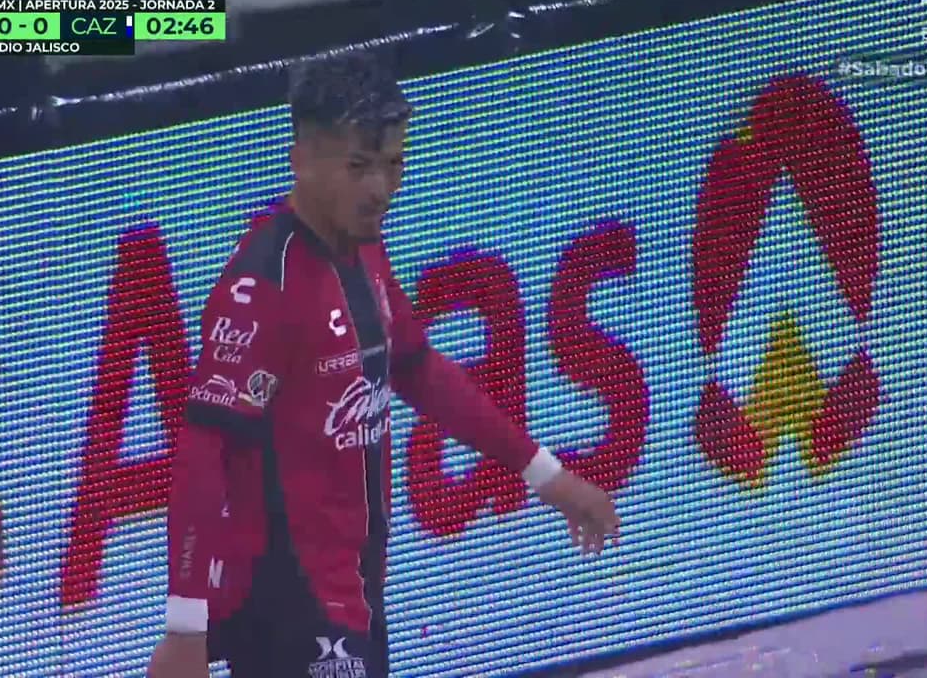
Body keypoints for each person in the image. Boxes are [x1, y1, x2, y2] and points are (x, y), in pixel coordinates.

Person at [147, 50, 621, 678]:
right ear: (301, 159)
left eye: (393, 164)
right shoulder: (265, 287)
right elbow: (204, 455)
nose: (380, 189)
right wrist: (185, 627)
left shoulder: (362, 247)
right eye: (358, 167)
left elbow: (418, 369)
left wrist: (546, 475)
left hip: (353, 587)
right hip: (293, 602)